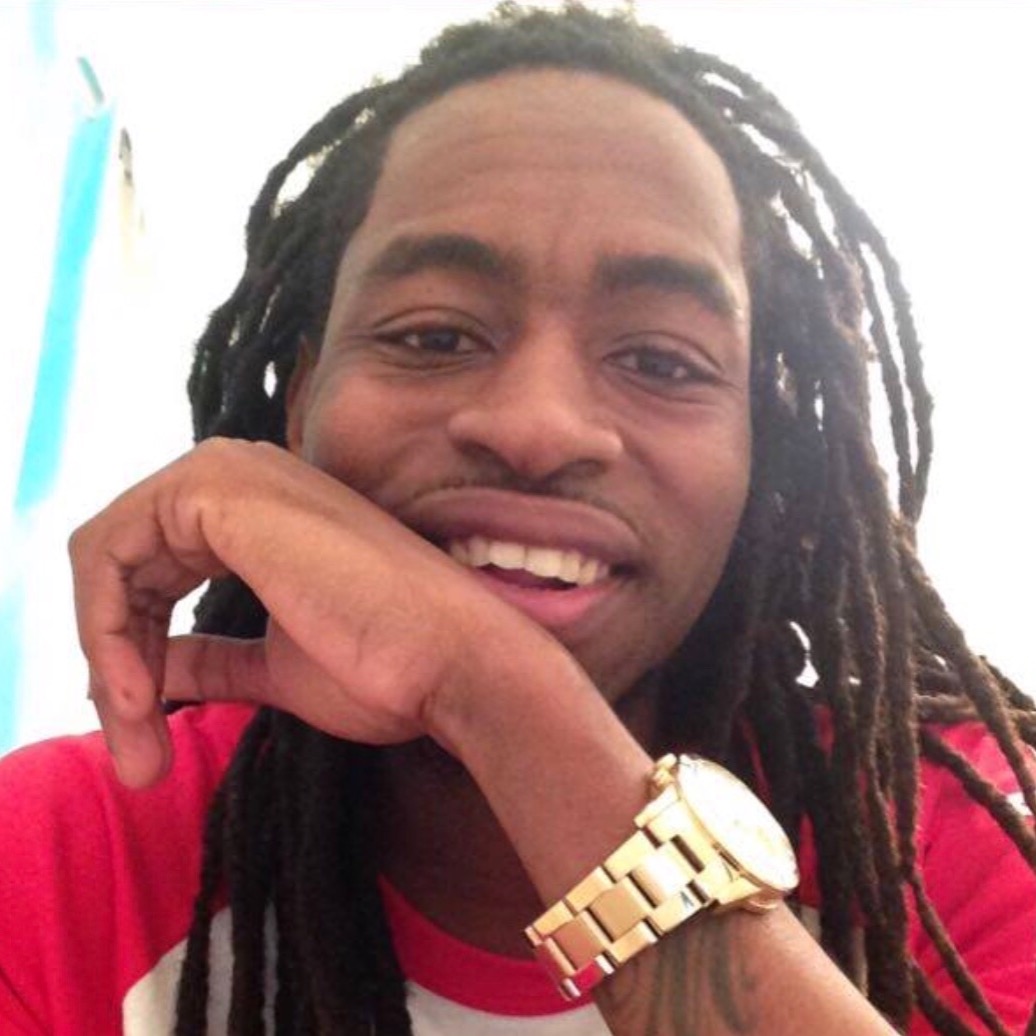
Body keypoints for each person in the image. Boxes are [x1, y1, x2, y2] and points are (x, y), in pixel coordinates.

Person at [1, 5, 1034, 1034]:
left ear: (761, 455)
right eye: (433, 335)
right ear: (300, 403)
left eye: (661, 360)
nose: (538, 427)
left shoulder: (962, 850)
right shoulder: (57, 861)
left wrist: (493, 694)